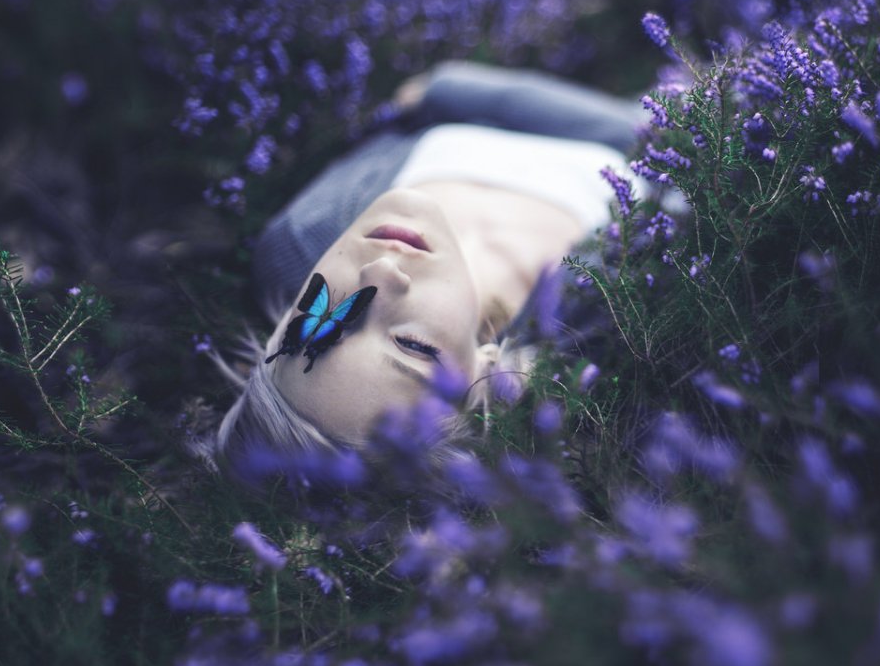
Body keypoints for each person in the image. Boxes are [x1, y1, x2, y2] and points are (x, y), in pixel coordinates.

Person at [215, 61, 645, 459]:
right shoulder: (596, 314)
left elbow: (412, 109)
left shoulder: (301, 240)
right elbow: (668, 150)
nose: (381, 271)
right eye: (413, 345)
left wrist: (448, 89)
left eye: (317, 318)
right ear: (482, 372)